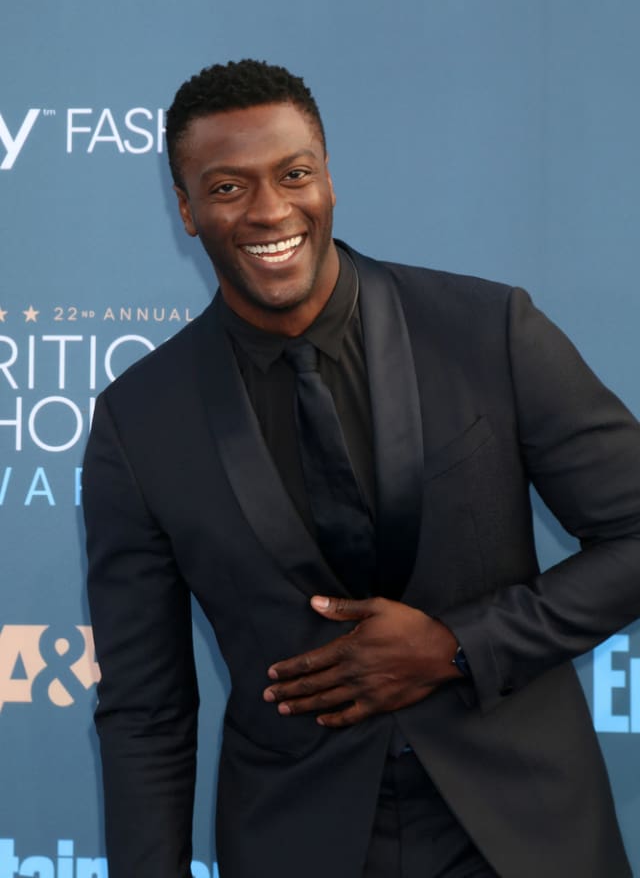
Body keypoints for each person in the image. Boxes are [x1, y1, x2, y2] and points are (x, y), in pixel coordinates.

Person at [83, 59, 640, 878]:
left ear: (328, 178)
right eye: (229, 187)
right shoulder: (140, 422)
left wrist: (459, 645)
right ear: (187, 210)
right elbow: (145, 709)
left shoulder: (488, 330)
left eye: (293, 174)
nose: (271, 209)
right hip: (295, 840)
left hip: (525, 833)